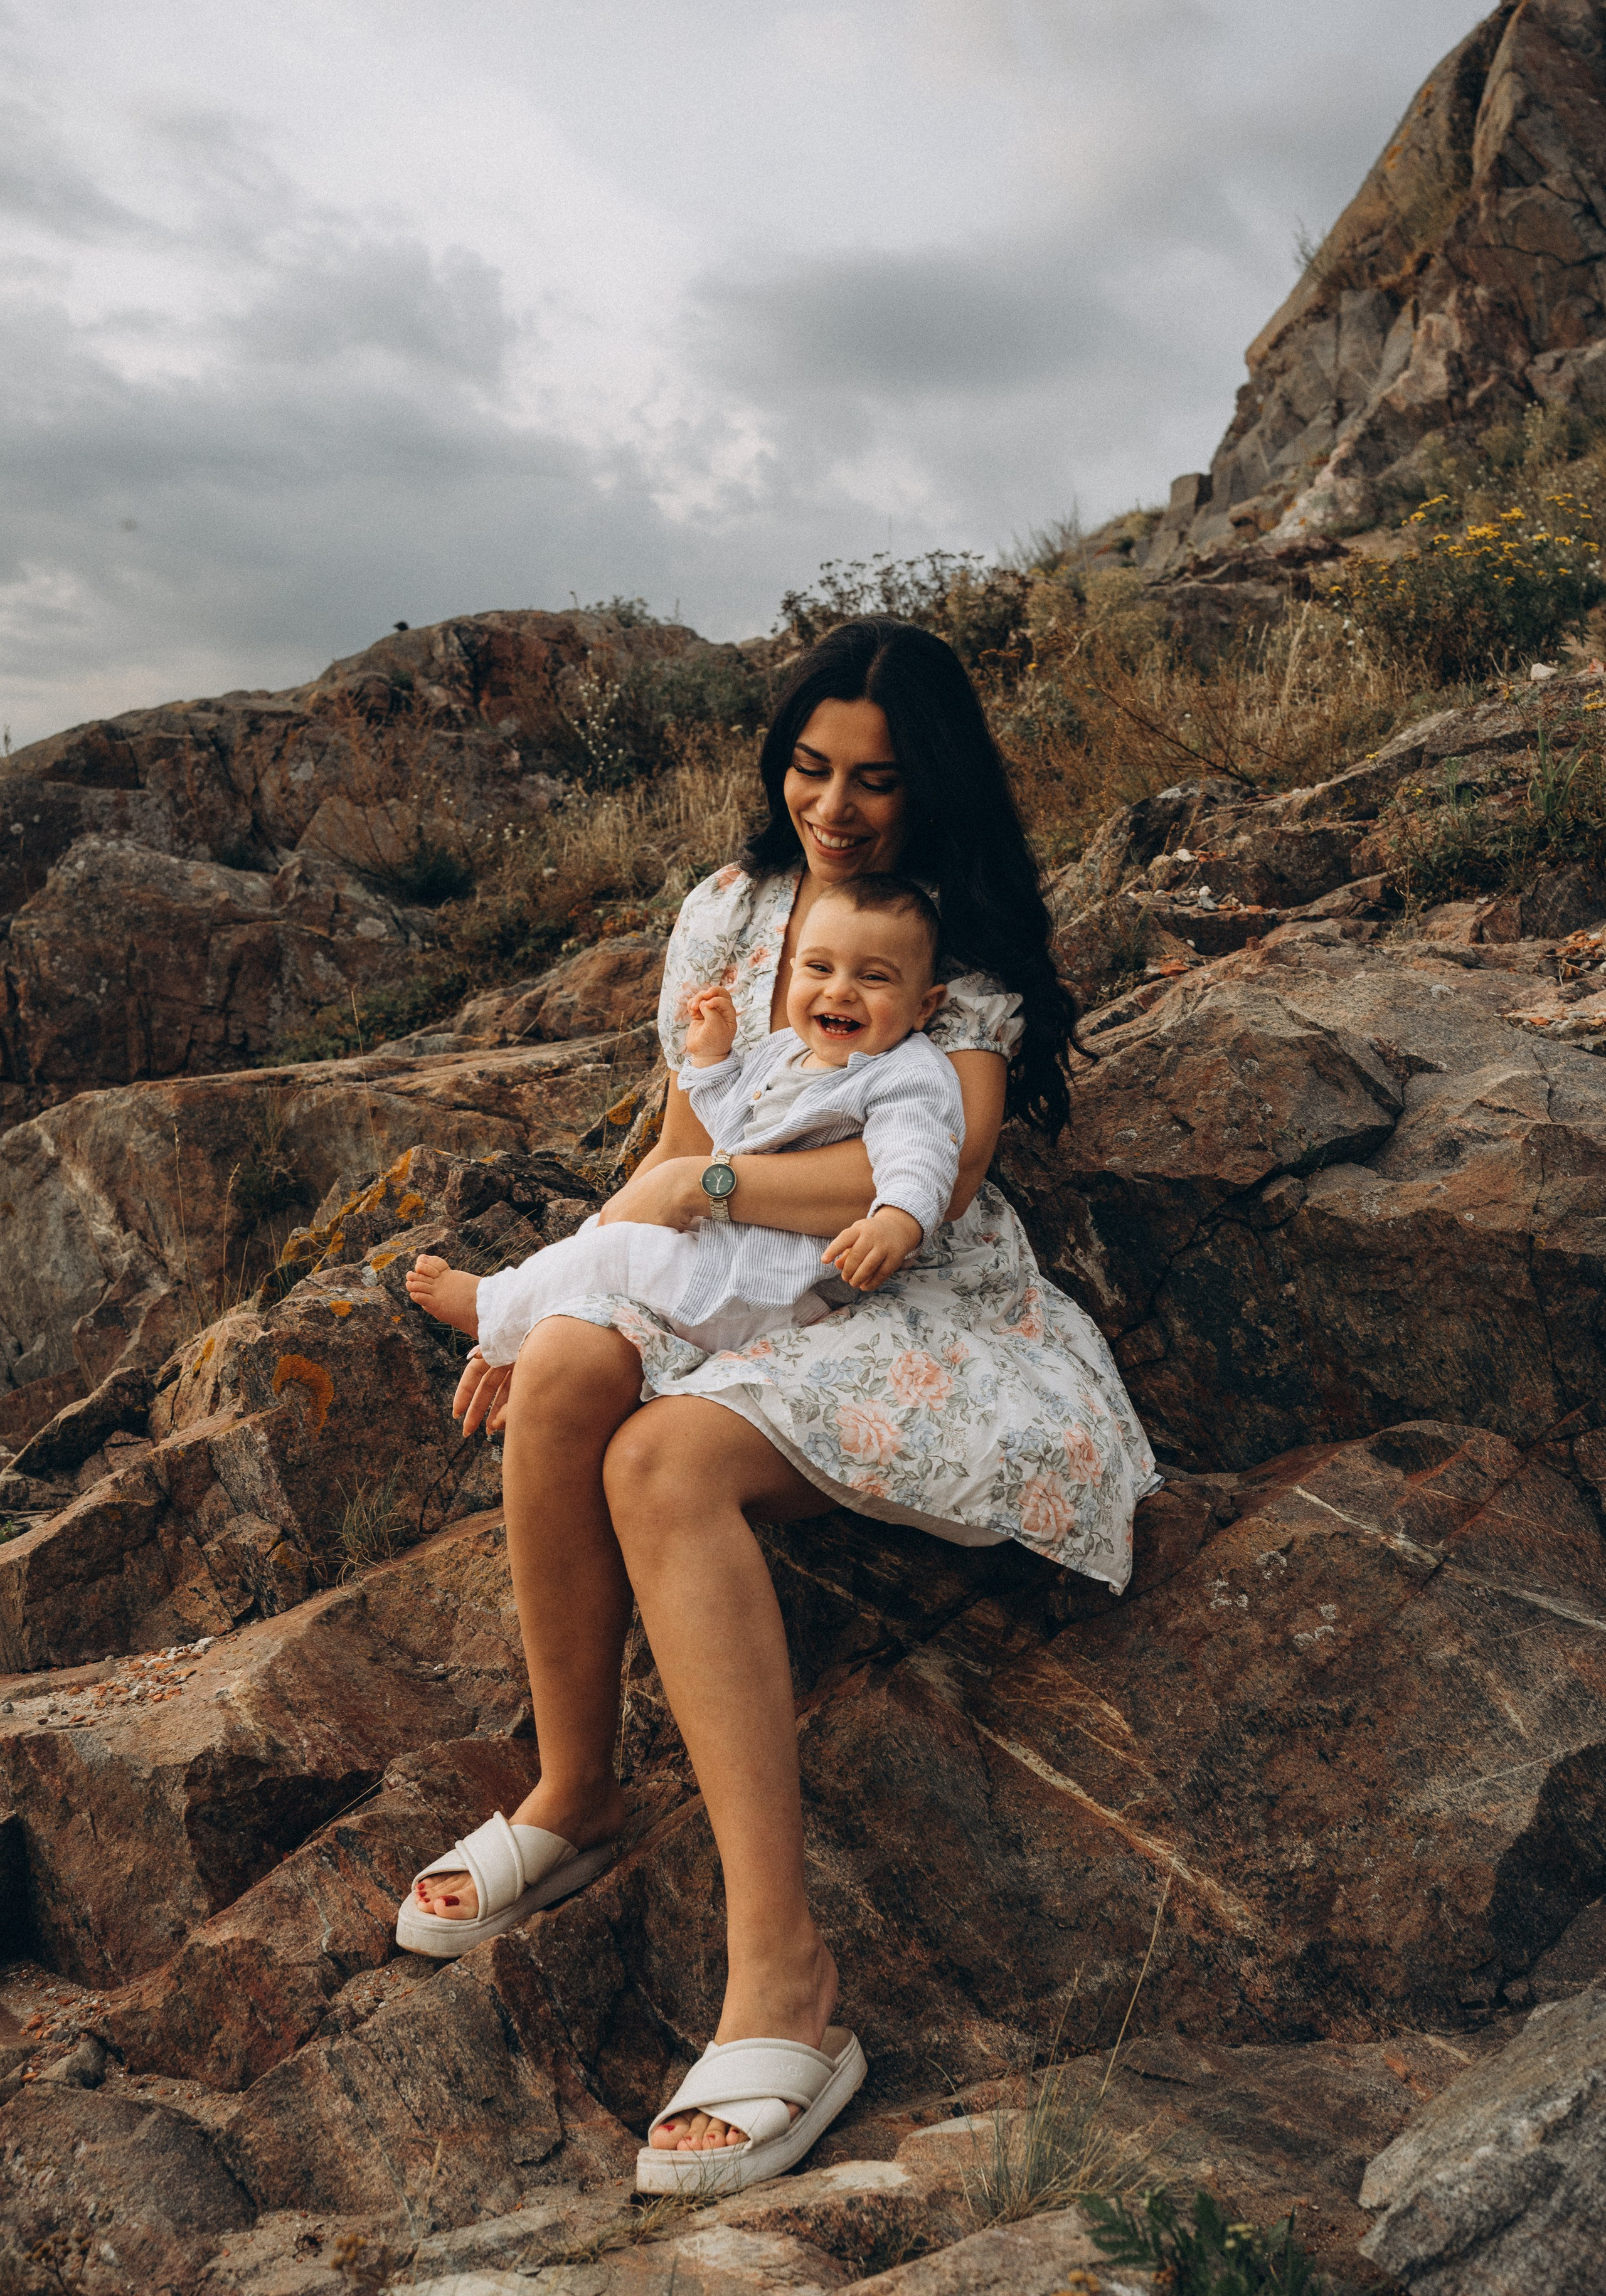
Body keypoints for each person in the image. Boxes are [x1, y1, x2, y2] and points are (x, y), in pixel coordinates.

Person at [392, 618, 1161, 2197]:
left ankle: (786, 1990)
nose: (833, 805)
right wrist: (565, 1282)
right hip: (717, 1258)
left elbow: (929, 1173)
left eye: (873, 779)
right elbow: (673, 1141)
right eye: (809, 768)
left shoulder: (957, 942)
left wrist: (712, 1181)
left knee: (663, 1460)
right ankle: (572, 1787)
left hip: (888, 1280)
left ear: (927, 781)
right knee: (569, 1380)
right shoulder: (730, 914)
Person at [402, 874, 965, 1362]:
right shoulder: (781, 1051)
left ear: (924, 1006)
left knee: (618, 1253)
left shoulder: (908, 1072)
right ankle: (520, 1320)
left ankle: (493, 1308)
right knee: (606, 1241)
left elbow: (920, 1151)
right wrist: (713, 1060)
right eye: (820, 967)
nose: (839, 990)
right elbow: (733, 1133)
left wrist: (897, 1222)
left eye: (874, 978)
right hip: (726, 1258)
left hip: (764, 1286)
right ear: (793, 971)